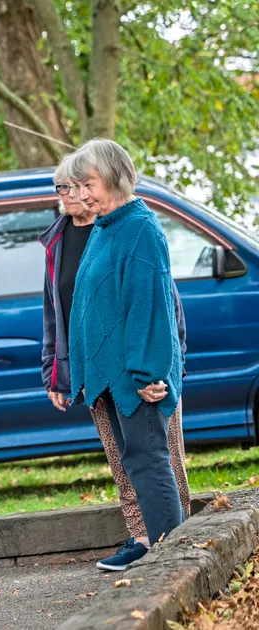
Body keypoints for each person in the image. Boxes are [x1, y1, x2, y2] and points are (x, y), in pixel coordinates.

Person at [40, 155, 191, 572]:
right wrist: (62, 369)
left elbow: (152, 304)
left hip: (138, 373)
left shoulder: (139, 228)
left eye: (87, 185)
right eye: (71, 188)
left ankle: (173, 561)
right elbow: (68, 308)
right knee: (131, 460)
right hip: (103, 373)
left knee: (152, 458)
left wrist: (152, 370)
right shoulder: (100, 230)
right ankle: (154, 548)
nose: (80, 196)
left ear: (114, 178)